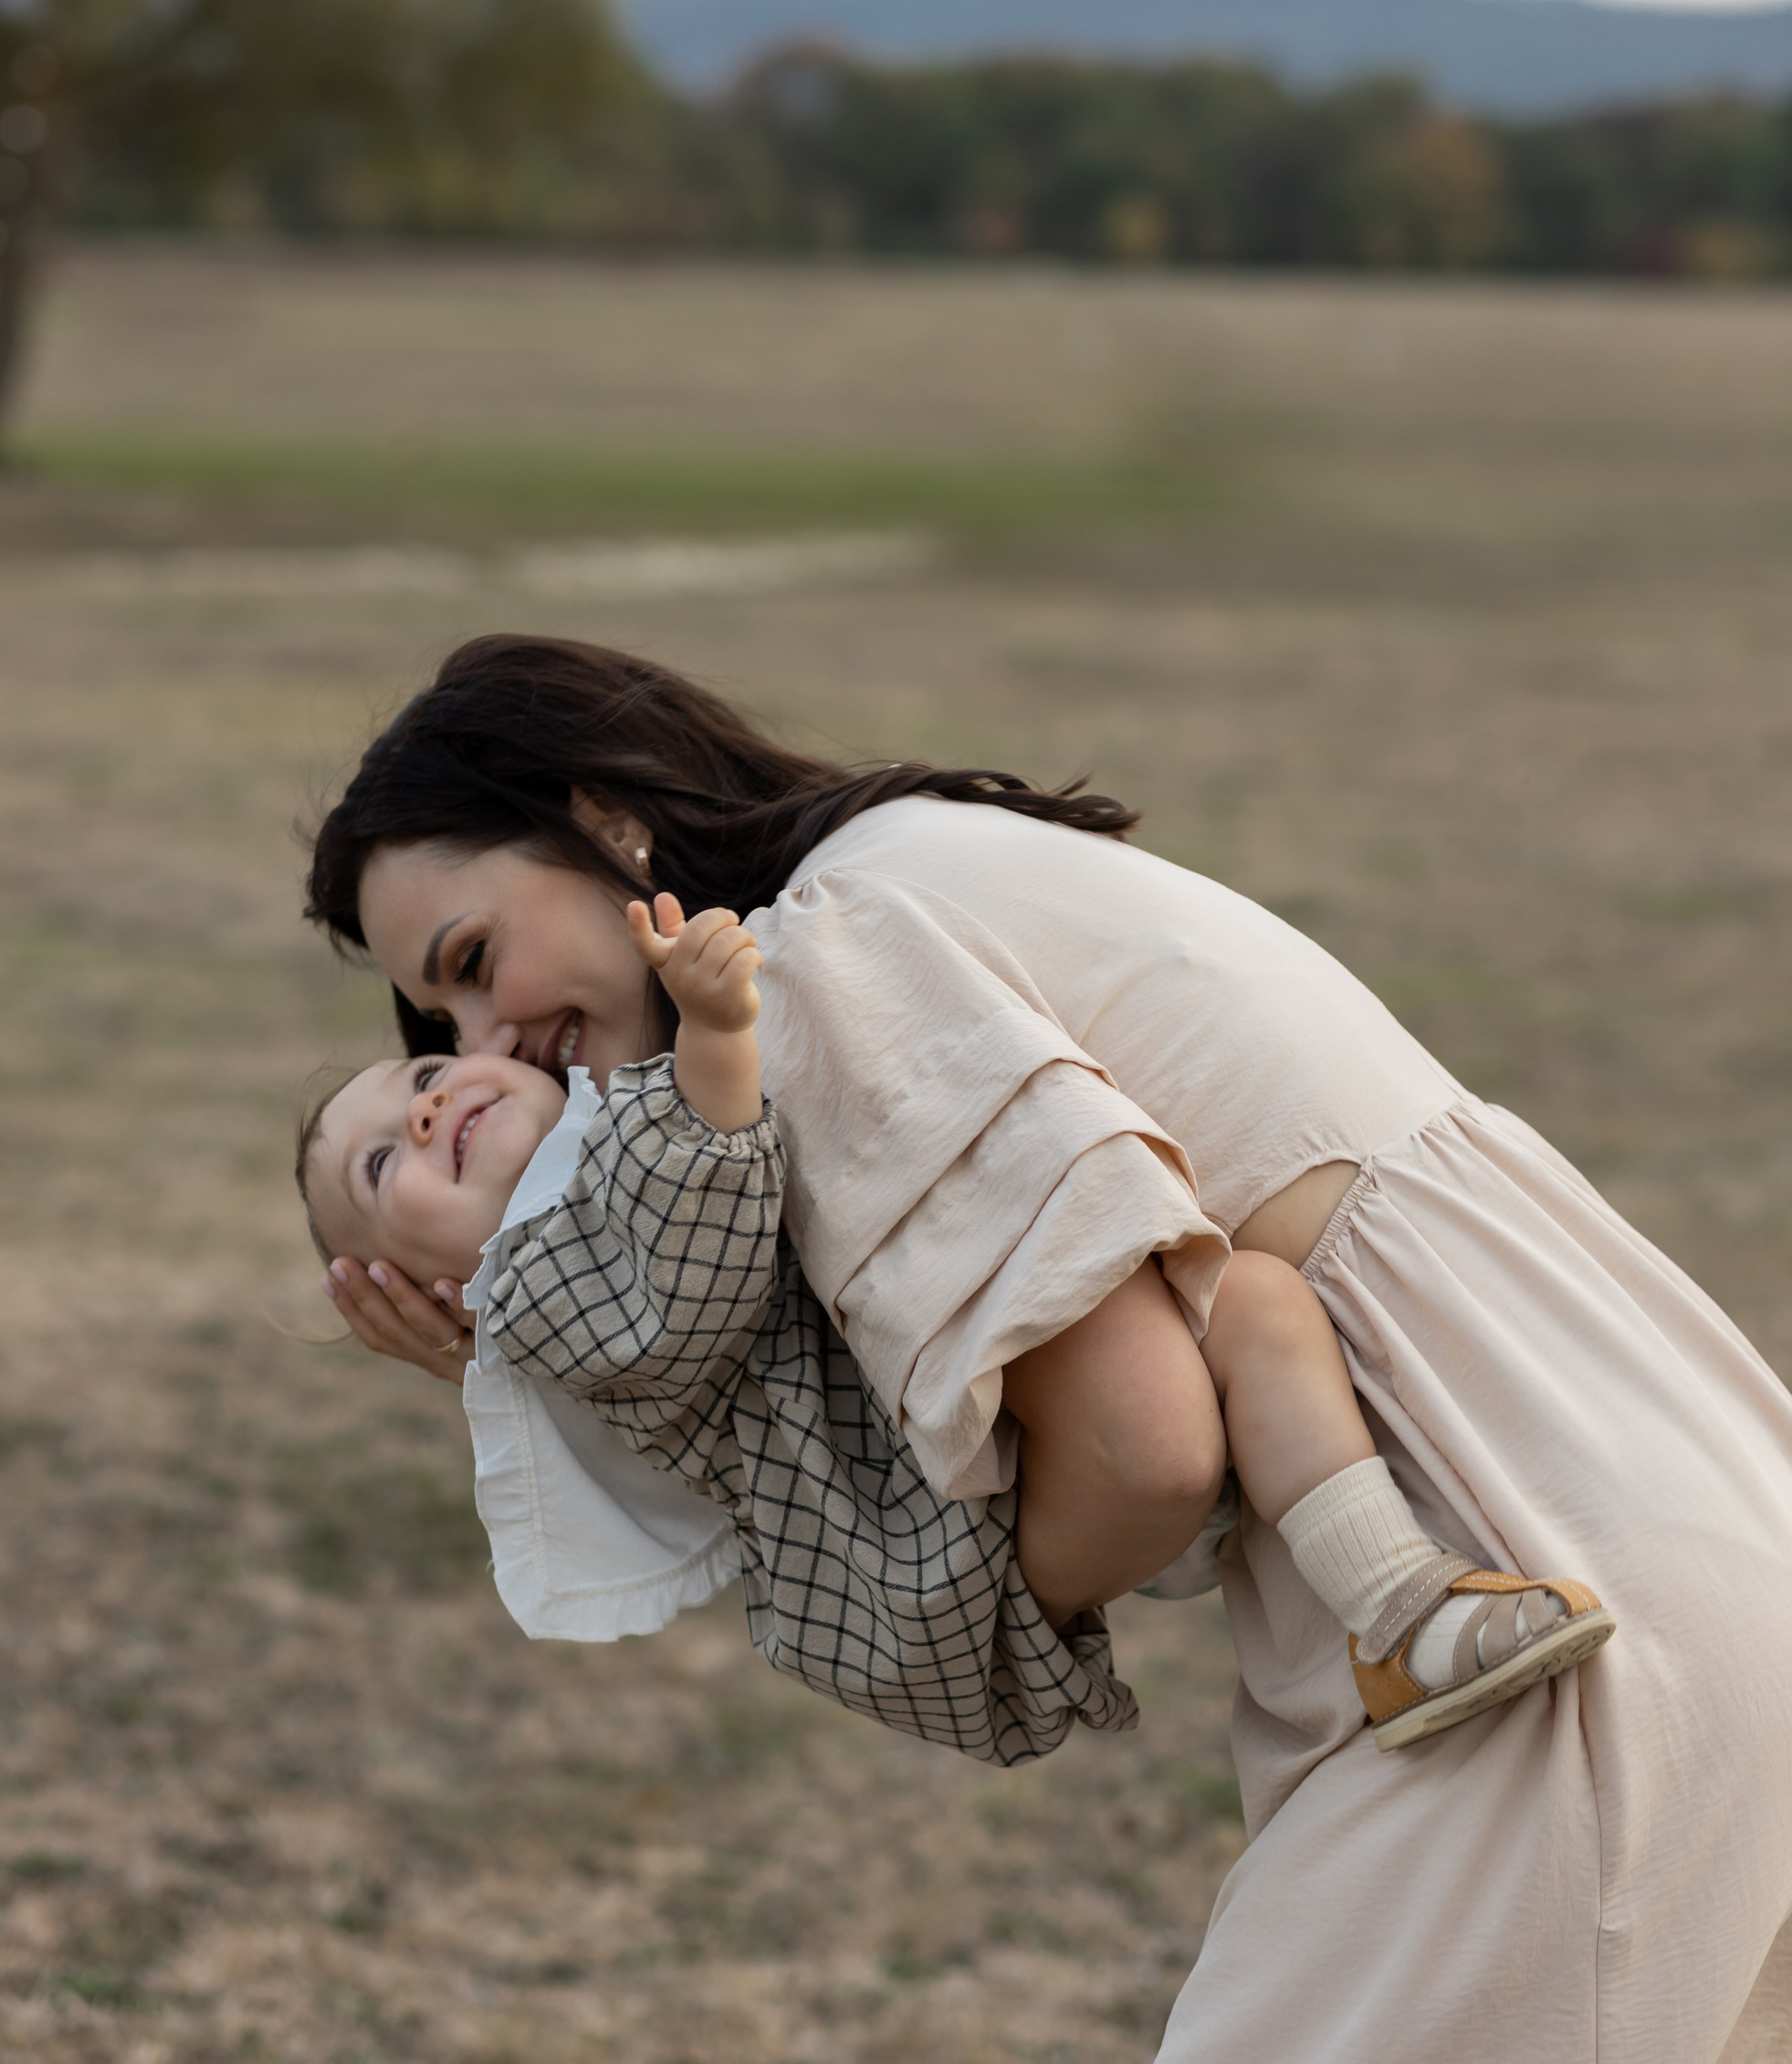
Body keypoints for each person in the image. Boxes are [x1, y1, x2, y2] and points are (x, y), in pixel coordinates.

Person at [305, 634, 1792, 2064]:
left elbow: (1145, 1458)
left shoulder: (819, 968)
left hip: (1522, 1569)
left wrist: (885, 1571)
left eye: (476, 958)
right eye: (437, 1014)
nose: (486, 1040)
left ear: (604, 821)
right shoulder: (906, 854)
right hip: (1678, 1474)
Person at [300, 889, 1611, 1757]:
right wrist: (715, 1035)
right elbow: (683, 1263)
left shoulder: (603, 1123)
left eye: (419, 1073)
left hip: (990, 1433)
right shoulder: (541, 1295)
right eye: (379, 1167)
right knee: (1176, 1378)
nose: (424, 1106)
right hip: (929, 1546)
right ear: (441, 1288)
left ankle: (1401, 1609)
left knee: (1260, 1302)